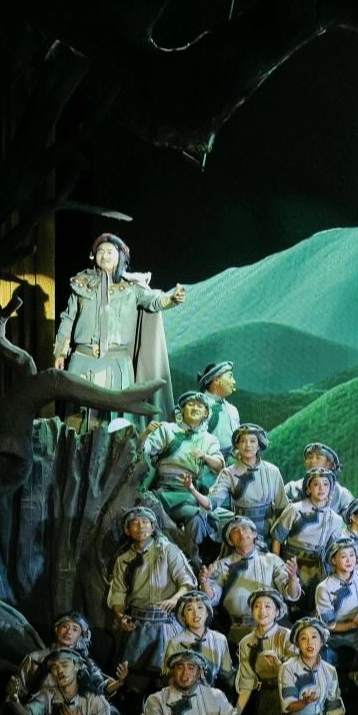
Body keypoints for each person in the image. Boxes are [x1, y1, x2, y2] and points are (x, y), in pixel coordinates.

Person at [52, 233, 184, 423]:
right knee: (77, 417)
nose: (104, 255)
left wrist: (171, 299)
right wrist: (60, 352)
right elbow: (68, 318)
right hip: (82, 360)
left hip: (116, 363)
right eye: (100, 251)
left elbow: (154, 300)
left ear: (120, 256)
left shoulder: (132, 287)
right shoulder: (81, 284)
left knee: (115, 421)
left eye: (110, 252)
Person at [106, 505, 200, 694]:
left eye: (145, 522)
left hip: (165, 623)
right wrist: (120, 616)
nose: (140, 527)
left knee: (166, 677)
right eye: (135, 523)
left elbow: (187, 582)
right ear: (127, 530)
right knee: (133, 682)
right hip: (138, 625)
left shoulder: (168, 550)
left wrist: (175, 599)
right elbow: (118, 593)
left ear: (153, 526)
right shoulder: (123, 559)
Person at [142, 390, 227, 555]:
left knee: (204, 518)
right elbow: (144, 449)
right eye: (190, 404)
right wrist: (145, 434)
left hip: (190, 493)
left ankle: (194, 557)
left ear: (206, 413)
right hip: (164, 491)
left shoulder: (209, 439)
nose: (195, 408)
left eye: (200, 406)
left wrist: (205, 456)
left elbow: (219, 466)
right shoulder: (167, 429)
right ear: (182, 409)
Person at [315, 535, 358, 715]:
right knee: (338, 686)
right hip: (334, 644)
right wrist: (352, 624)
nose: (349, 560)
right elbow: (328, 625)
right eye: (344, 556)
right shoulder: (324, 588)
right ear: (333, 560)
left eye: (352, 555)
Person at [205, 516, 302, 635]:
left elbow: (291, 594)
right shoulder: (221, 565)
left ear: (254, 534)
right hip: (235, 630)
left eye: (245, 529)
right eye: (235, 531)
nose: (241, 533)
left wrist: (293, 579)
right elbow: (212, 599)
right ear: (230, 541)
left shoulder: (272, 560)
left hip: (272, 628)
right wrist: (205, 583)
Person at [271, 468, 345, 600]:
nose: (321, 488)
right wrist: (276, 562)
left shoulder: (335, 519)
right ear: (308, 488)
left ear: (331, 489)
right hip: (291, 563)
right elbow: (278, 537)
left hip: (317, 568)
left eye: (326, 484)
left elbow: (333, 550)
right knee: (289, 598)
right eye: (316, 484)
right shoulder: (295, 510)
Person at [232, 590, 295, 715]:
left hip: (287, 696)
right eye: (257, 606)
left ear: (277, 612)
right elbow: (247, 684)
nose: (262, 611)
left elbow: (296, 673)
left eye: (268, 606)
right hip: (261, 698)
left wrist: (279, 666)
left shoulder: (287, 636)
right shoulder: (246, 642)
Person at [209, 423, 283, 539]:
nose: (248, 445)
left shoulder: (273, 471)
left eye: (252, 441)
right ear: (237, 445)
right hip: (241, 531)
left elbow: (282, 506)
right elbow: (213, 501)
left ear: (259, 445)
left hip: (268, 530)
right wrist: (193, 491)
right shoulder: (229, 473)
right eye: (243, 441)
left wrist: (277, 537)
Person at [163, 590, 234, 695]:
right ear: (183, 616)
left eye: (200, 607)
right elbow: (168, 678)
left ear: (207, 613)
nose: (195, 613)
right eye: (189, 609)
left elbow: (228, 675)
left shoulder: (219, 639)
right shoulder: (175, 642)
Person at [277, 443, 355, 516]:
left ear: (330, 464)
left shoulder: (341, 494)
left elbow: (354, 517)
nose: (313, 461)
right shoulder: (291, 488)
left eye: (318, 457)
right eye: (309, 457)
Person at [195, 361, 243, 449]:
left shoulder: (232, 409)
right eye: (230, 376)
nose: (234, 382)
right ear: (216, 380)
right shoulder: (198, 406)